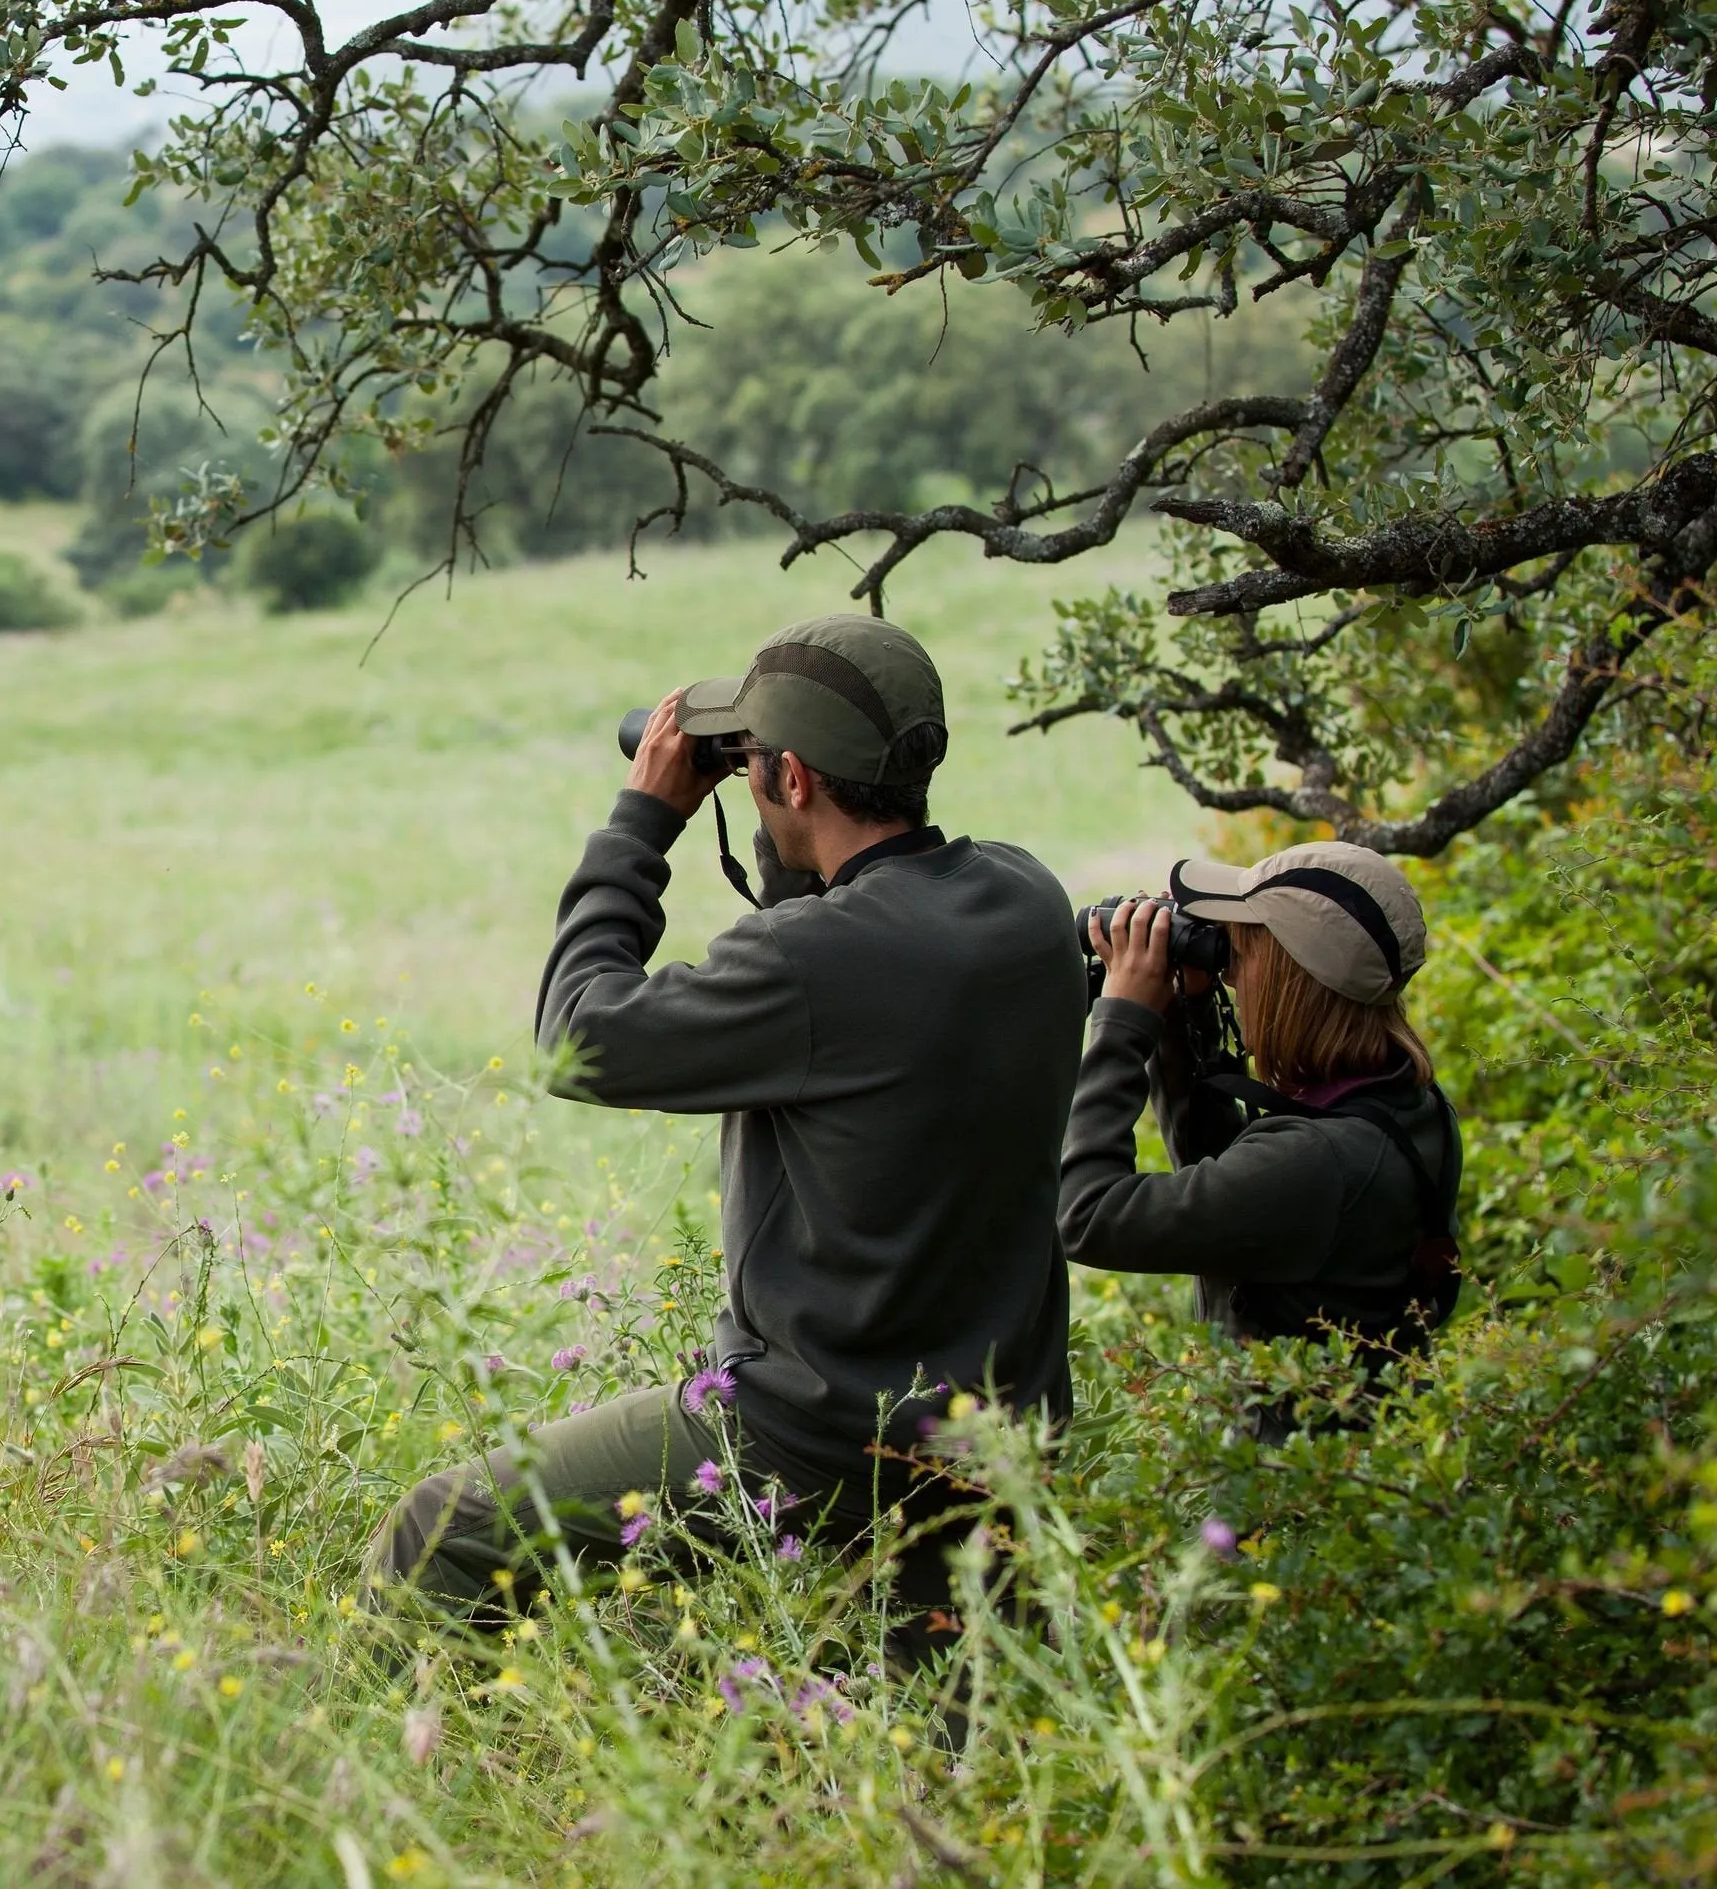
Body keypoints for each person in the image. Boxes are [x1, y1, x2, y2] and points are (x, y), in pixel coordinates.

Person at [365, 614, 1084, 1634]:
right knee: (940, 1752)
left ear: (791, 778)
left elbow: (581, 1035)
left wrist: (641, 821)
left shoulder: (808, 962)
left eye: (754, 765)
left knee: (436, 1532)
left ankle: (415, 1771)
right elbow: (842, 921)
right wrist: (787, 818)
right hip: (993, 1436)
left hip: (814, 1434)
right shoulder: (1023, 896)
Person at [1059, 842, 1462, 1428]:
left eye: (1239, 956)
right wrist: (1184, 1014)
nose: (1227, 971)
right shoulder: (1403, 1104)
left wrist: (1123, 1020)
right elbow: (1235, 1186)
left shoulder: (1318, 1160)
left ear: (1288, 983)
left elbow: (1089, 1215)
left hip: (1283, 1504)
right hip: (1352, 1465)